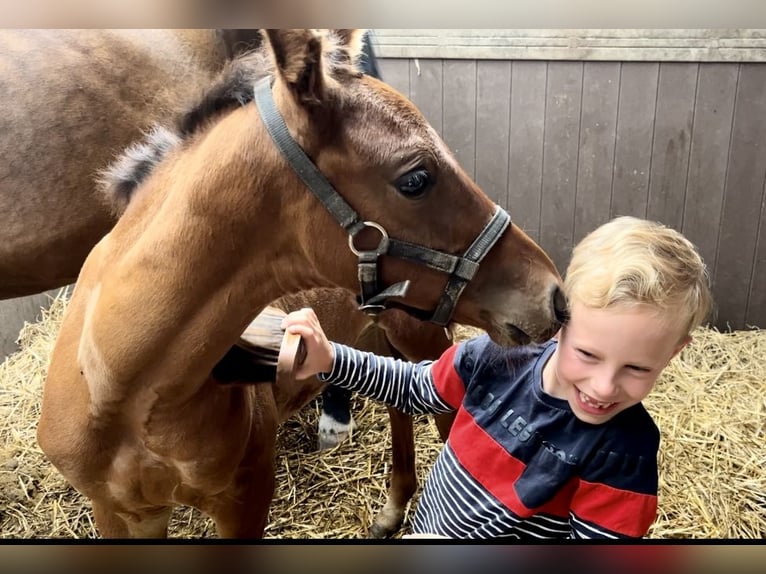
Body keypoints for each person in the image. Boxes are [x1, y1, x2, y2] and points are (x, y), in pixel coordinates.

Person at [281, 216, 713, 539]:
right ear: (559, 317)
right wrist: (332, 360)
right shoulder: (497, 357)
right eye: (587, 354)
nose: (603, 387)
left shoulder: (623, 455)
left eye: (636, 368)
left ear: (674, 353)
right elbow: (416, 387)